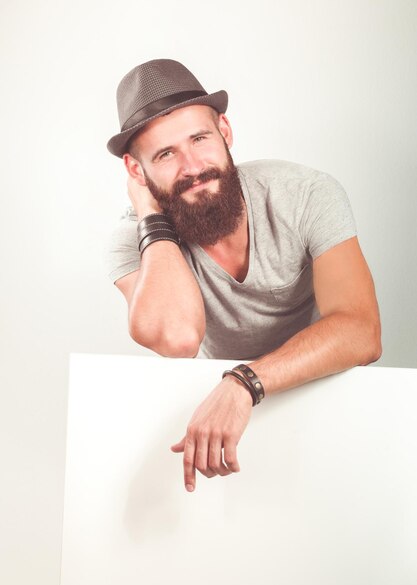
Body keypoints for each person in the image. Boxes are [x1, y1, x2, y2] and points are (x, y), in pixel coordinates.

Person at [106, 59, 382, 493]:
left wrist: (243, 382)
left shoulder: (306, 194)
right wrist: (149, 215)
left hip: (324, 397)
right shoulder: (135, 241)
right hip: (217, 424)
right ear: (136, 172)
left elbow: (362, 331)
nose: (193, 165)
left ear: (225, 132)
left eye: (200, 138)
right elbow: (178, 339)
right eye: (165, 154)